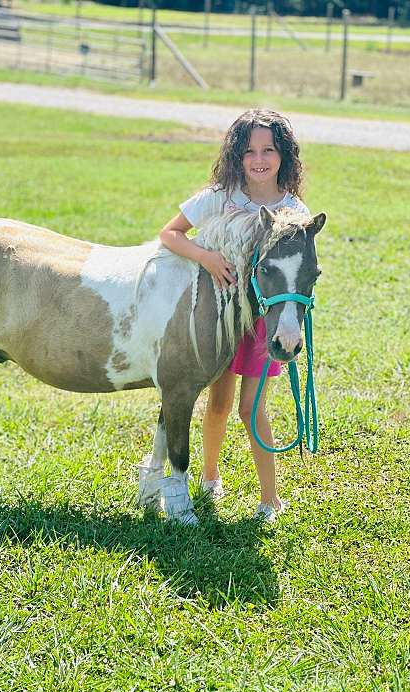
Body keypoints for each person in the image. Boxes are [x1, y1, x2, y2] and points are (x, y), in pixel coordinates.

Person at [158, 108, 309, 523]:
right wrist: (206, 257)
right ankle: (209, 476)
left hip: (264, 321)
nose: (259, 160)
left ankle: (270, 499)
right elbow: (169, 234)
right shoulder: (220, 196)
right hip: (220, 314)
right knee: (219, 402)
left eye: (269, 150)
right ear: (237, 156)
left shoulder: (293, 207)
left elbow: (299, 263)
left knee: (251, 408)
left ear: (284, 155)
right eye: (249, 151)